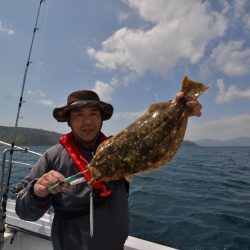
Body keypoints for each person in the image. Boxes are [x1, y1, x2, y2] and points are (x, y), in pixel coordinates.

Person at [15, 89, 203, 250]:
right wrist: (37, 192)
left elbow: (146, 134)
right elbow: (24, 212)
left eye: (93, 114)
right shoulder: (52, 157)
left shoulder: (120, 148)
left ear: (101, 118)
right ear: (69, 121)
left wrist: (177, 107)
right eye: (79, 115)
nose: (87, 121)